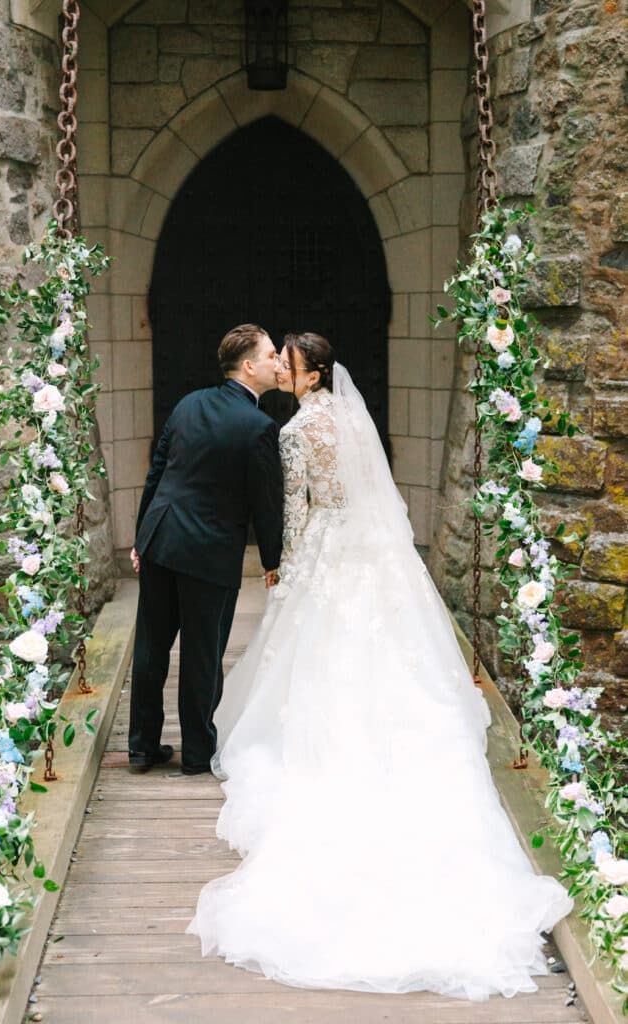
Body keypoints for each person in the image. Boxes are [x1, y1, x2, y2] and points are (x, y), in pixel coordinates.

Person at [187, 332, 573, 999]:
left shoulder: (297, 429)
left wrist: (287, 570)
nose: (282, 368)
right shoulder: (347, 419)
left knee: (316, 656)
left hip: (330, 553)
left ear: (308, 378)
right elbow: (372, 496)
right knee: (390, 654)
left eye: (291, 363)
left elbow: (300, 510)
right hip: (372, 552)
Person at [128, 324, 284, 775]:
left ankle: (141, 746)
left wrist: (142, 536)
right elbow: (265, 505)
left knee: (151, 646)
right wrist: (272, 561)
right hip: (208, 552)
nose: (278, 362)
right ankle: (196, 753)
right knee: (202, 653)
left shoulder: (188, 403)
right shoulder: (259, 427)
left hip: (160, 539)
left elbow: (157, 472)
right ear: (250, 366)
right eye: (272, 355)